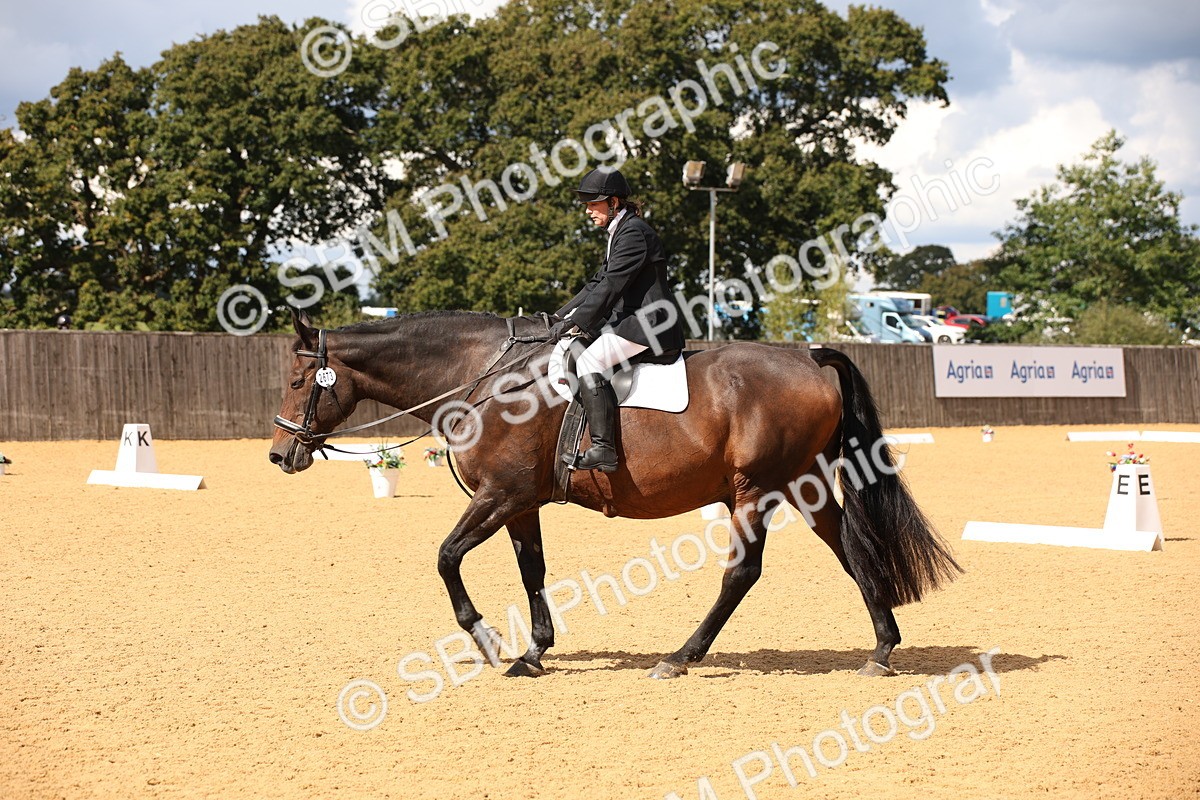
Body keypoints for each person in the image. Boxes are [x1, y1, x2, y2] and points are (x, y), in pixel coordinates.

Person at [548, 166, 686, 473]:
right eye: (586, 204)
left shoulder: (634, 233)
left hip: (650, 324)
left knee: (589, 362)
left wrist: (577, 322)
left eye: (593, 204)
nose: (588, 210)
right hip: (632, 320)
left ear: (613, 203)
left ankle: (603, 448)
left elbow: (612, 287)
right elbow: (597, 283)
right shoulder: (620, 231)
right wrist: (557, 316)